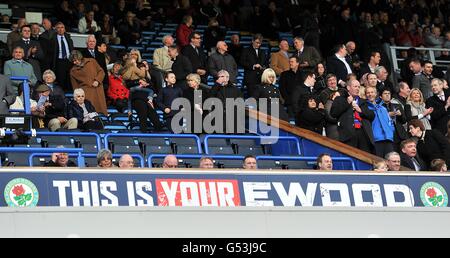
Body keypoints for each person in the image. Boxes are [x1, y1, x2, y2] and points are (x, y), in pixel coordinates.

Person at [330, 79, 375, 153]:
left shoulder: (363, 101)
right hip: (348, 134)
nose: (357, 88)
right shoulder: (340, 99)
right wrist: (347, 102)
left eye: (358, 87)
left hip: (363, 133)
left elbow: (372, 115)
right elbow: (333, 113)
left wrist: (360, 111)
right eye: (355, 86)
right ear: (348, 87)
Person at [69, 50, 108, 116]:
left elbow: (101, 72)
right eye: (73, 61)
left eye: (76, 60)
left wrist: (97, 80)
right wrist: (78, 96)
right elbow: (75, 87)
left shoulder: (91, 61)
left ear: (80, 57)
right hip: (86, 93)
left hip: (97, 89)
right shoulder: (73, 71)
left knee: (101, 112)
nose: (75, 62)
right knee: (90, 113)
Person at [366, 86, 395, 158]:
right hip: (376, 140)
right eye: (368, 93)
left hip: (388, 139)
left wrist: (391, 131)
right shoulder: (366, 108)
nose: (370, 94)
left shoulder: (383, 108)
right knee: (379, 163)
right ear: (365, 95)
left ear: (376, 94)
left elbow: (390, 122)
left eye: (372, 92)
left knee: (390, 163)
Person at [241, 34, 268, 98]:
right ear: (252, 41)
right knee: (252, 99)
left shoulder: (263, 52)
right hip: (250, 80)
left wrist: (262, 67)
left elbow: (266, 63)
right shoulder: (246, 50)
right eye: (257, 43)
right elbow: (242, 62)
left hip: (261, 79)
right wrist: (253, 66)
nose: (258, 45)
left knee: (262, 99)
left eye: (260, 43)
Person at [50, 22, 74, 92]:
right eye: (58, 28)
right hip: (59, 62)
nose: (60, 29)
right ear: (56, 29)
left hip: (69, 62)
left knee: (69, 81)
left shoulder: (69, 39)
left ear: (64, 29)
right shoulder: (52, 39)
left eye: (62, 27)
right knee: (61, 82)